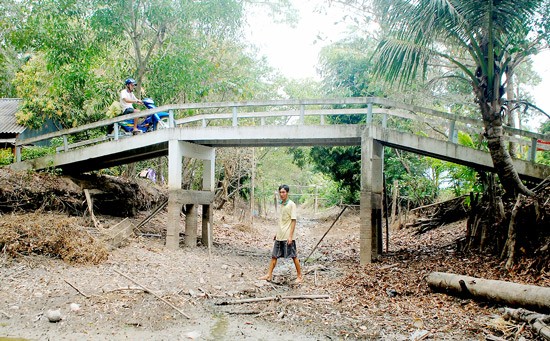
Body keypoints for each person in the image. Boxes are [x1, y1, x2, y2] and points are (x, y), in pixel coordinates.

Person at [259, 184, 303, 284]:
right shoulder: (282, 204)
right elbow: (281, 221)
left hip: (288, 235)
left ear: (287, 193)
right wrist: (276, 233)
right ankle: (269, 275)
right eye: (280, 192)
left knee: (293, 256)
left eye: (283, 192)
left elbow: (293, 221)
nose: (281, 194)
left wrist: (291, 236)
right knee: (274, 256)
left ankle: (300, 276)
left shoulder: (291, 204)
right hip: (280, 235)